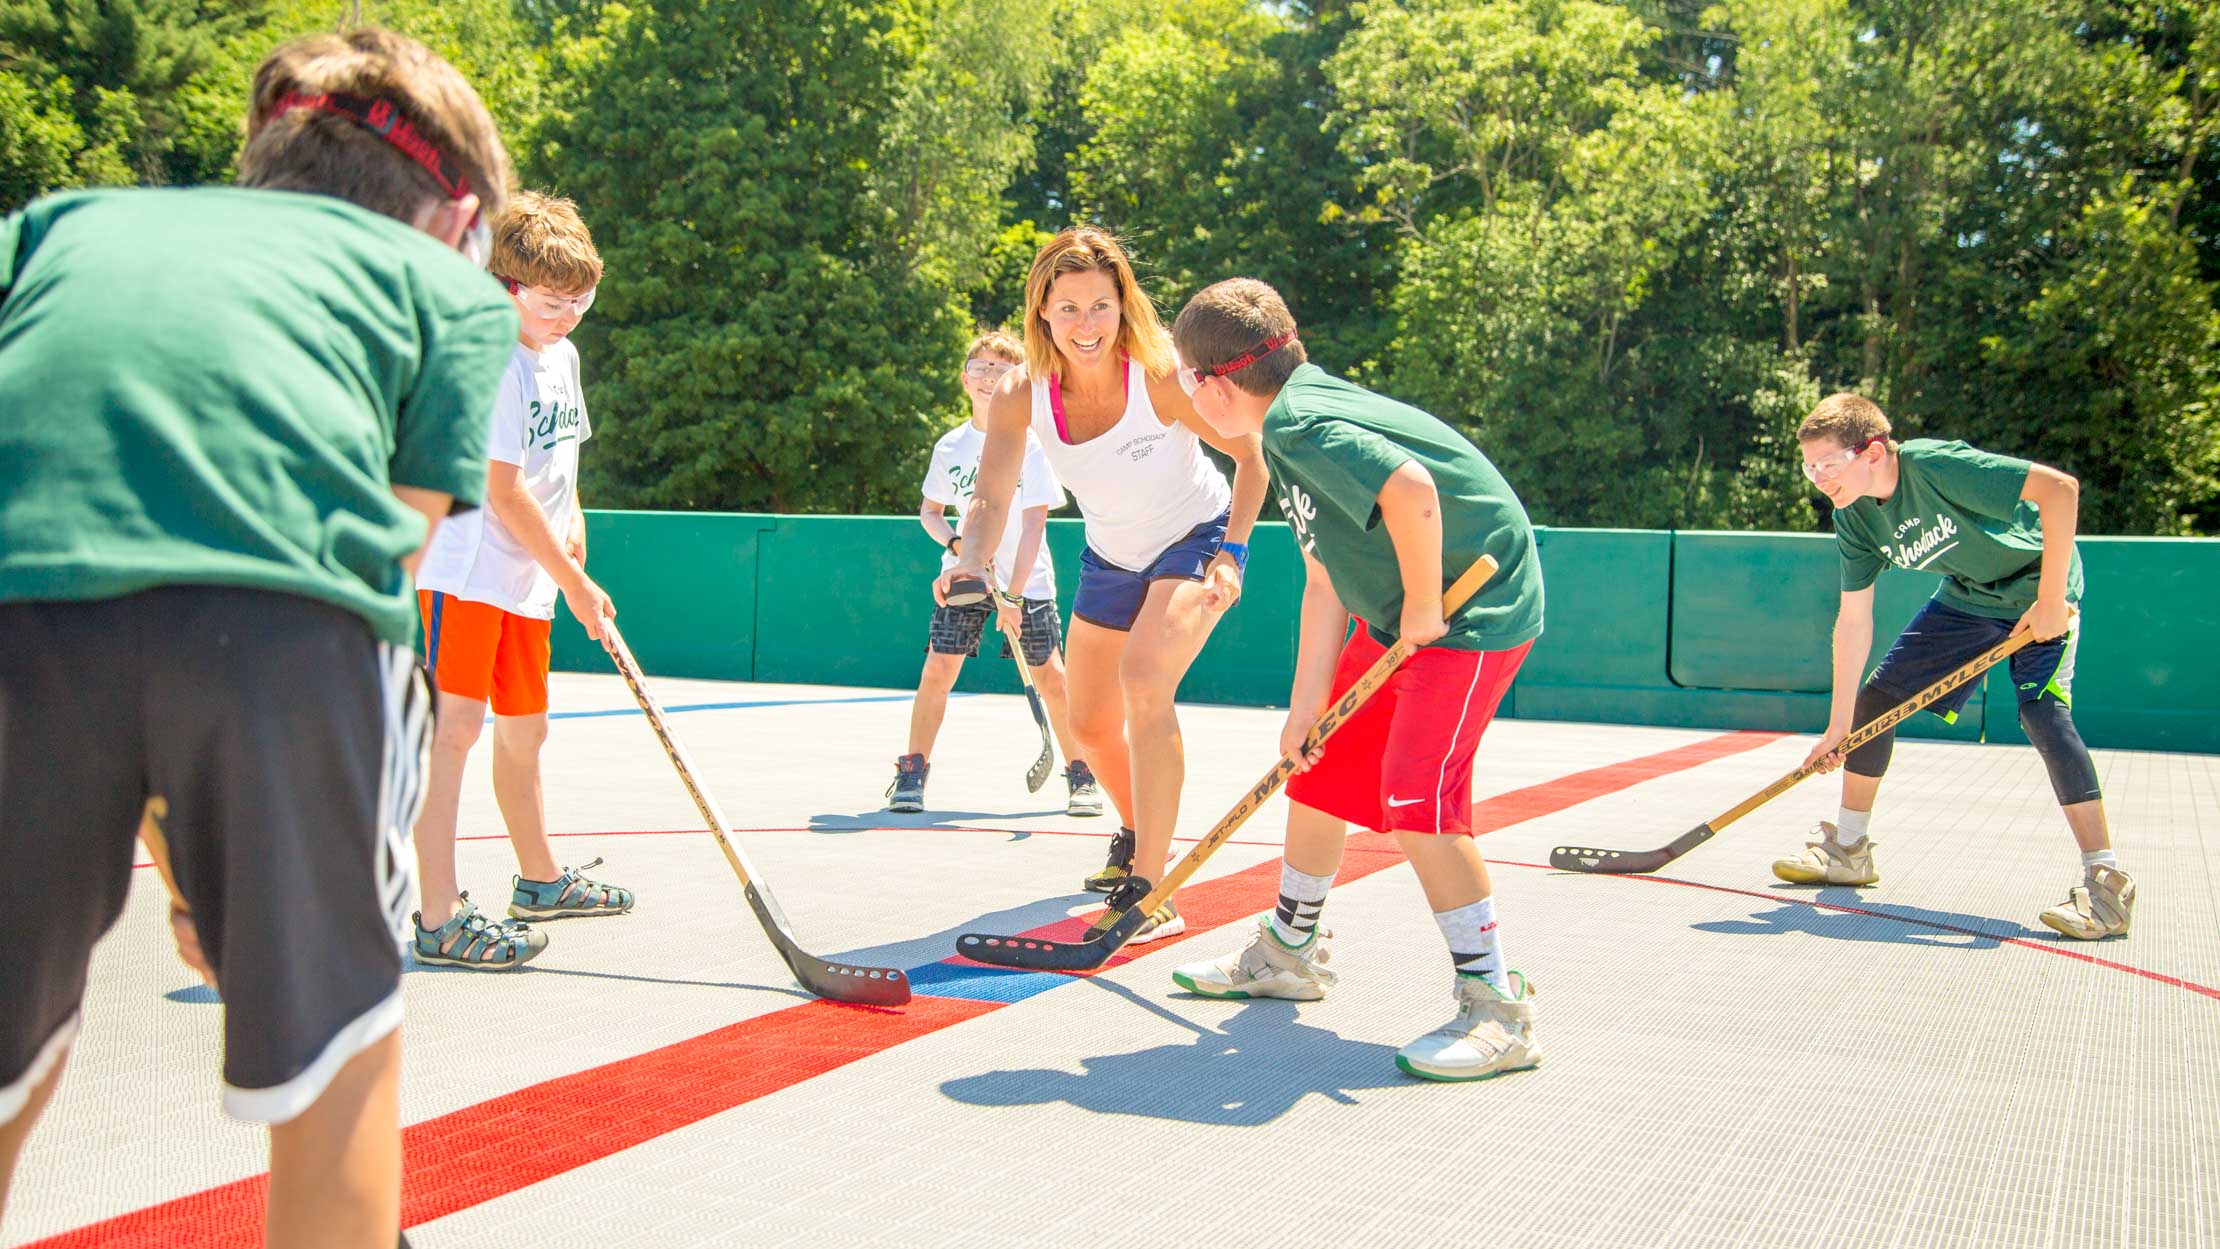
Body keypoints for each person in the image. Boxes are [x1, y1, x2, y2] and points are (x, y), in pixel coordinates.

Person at [0, 28, 516, 1246]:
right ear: (457, 217)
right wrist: (245, 878)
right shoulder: (441, 288)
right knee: (339, 1029)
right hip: (288, 631)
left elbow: (112, 565)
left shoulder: (61, 224)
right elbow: (376, 550)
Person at [1166, 278, 1548, 1083]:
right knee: (1321, 769)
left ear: (1217, 385)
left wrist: (1417, 606)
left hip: (1472, 612)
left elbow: (1410, 488)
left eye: (1185, 381)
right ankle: (1288, 954)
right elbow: (1325, 575)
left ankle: (1497, 1009)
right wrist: (1305, 709)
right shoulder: (1287, 423)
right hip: (1401, 613)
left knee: (1418, 802)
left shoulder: (1300, 424)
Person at [936, 228, 1269, 943]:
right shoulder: (1023, 390)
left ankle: (1152, 888)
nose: (1087, 325)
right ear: (1042, 313)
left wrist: (1234, 552)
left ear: (1124, 305)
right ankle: (1137, 831)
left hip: (1196, 536)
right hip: (1112, 554)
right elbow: (991, 497)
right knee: (1087, 723)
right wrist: (970, 564)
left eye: (1101, 305)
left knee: (1145, 677)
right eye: (1069, 308)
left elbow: (1252, 458)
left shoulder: (1159, 375)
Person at [1778, 394, 2130, 939]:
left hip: (2041, 588)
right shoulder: (1855, 519)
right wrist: (1837, 726)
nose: (1819, 478)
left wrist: (2053, 598)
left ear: (1872, 451)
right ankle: (1848, 850)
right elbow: (1853, 622)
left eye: (1828, 463)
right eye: (1810, 467)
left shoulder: (1935, 465)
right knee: (1874, 704)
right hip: (1969, 599)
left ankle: (2105, 883)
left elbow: (2060, 490)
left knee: (2042, 715)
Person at [410, 190, 630, 971]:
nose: (569, 313)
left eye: (582, 298)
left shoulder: (561, 355)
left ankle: (539, 880)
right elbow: (501, 490)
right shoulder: (489, 362)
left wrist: (575, 534)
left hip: (528, 574)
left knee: (525, 730)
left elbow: (560, 467)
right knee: (453, 735)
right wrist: (573, 579)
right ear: (506, 287)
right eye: (551, 300)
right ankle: (437, 916)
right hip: (468, 572)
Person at [889, 328, 1105, 817]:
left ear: (1020, 383)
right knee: (937, 671)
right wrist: (958, 545)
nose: (992, 378)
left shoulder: (1033, 445)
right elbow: (931, 511)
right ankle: (913, 770)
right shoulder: (949, 447)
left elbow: (1033, 526)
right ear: (966, 379)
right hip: (964, 579)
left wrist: (1012, 593)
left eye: (1004, 370)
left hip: (1025, 583)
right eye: (983, 368)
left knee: (1052, 677)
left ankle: (1081, 774)